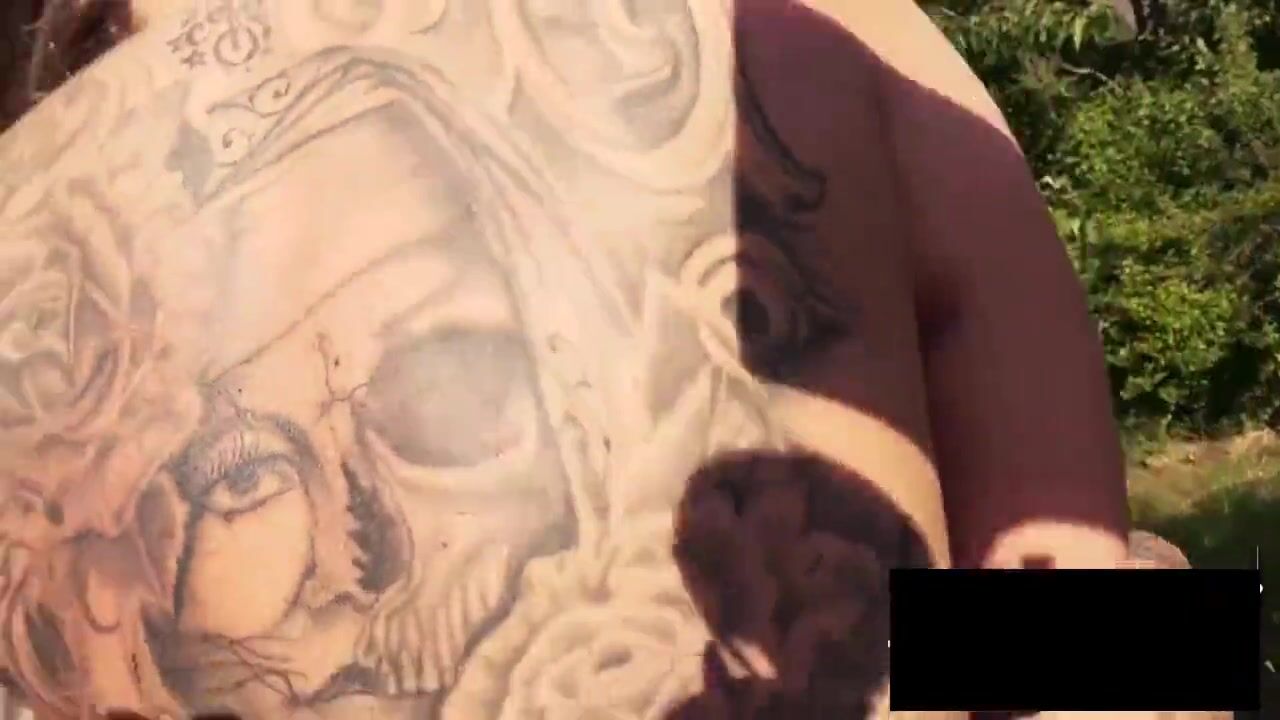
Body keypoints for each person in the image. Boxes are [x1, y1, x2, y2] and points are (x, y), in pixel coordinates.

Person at [0, 0, 1132, 718]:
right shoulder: (826, 38)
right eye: (243, 477)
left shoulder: (29, 211)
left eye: (434, 389)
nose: (366, 552)